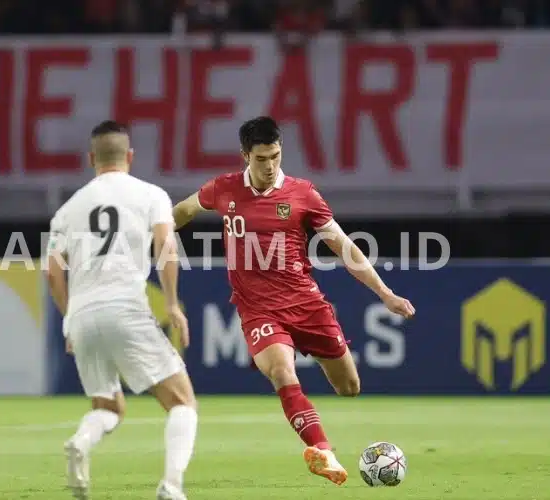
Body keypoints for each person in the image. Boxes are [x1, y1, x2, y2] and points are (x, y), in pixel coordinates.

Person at [172, 116, 415, 486]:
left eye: (275, 156)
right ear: (245, 156)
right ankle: (324, 452)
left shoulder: (303, 194)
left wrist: (385, 293)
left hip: (307, 304)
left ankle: (314, 411)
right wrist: (148, 231)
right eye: (261, 159)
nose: (269, 167)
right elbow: (185, 211)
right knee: (282, 372)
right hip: (258, 309)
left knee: (349, 387)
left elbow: (344, 247)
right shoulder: (224, 189)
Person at [46, 120, 197, 500]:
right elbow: (166, 247)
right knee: (182, 402)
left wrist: (68, 320)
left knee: (109, 407)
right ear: (129, 156)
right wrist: (173, 304)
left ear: (90, 158)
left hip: (81, 314)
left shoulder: (68, 208)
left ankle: (82, 440)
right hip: (125, 306)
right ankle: (172, 486)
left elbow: (51, 271)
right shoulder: (150, 195)